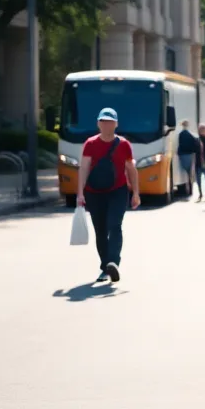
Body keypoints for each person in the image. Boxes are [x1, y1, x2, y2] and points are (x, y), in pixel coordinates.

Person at [77, 107, 140, 283]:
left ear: (116, 124)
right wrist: (80, 193)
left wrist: (135, 193)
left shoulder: (124, 144)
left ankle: (113, 262)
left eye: (110, 122)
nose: (106, 125)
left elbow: (131, 169)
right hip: (94, 193)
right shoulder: (90, 144)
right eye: (103, 122)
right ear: (98, 124)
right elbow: (84, 168)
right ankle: (105, 266)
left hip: (117, 191)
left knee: (114, 224)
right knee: (100, 230)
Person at [177, 121, 200, 198]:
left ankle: (187, 189)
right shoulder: (192, 134)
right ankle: (190, 189)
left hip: (183, 154)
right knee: (190, 173)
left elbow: (180, 145)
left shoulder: (181, 134)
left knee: (186, 172)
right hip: (191, 154)